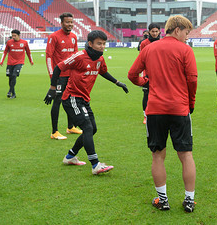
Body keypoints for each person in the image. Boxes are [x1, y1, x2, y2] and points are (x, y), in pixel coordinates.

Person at [128, 15, 197, 213]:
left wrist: (146, 83)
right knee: (186, 154)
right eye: (186, 33)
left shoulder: (148, 48)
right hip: (179, 108)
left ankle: (163, 200)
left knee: (158, 156)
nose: (186, 37)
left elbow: (132, 75)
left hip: (155, 109)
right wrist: (190, 103)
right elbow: (192, 79)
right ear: (177, 29)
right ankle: (189, 201)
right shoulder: (185, 50)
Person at [44, 30, 129, 175]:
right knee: (88, 128)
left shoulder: (100, 59)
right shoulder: (79, 56)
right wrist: (52, 88)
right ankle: (95, 165)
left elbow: (102, 71)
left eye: (104, 43)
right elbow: (59, 67)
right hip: (72, 98)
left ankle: (70, 156)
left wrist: (117, 82)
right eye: (99, 44)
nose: (102, 46)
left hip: (84, 99)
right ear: (90, 44)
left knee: (93, 129)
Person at [46, 12, 80, 140]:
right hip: (59, 75)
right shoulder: (54, 36)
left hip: (72, 75)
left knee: (71, 99)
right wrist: (52, 76)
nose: (70, 24)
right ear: (61, 23)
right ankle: (54, 132)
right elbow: (49, 56)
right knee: (58, 101)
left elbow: (76, 56)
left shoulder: (74, 37)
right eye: (67, 22)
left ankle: (70, 127)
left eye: (71, 22)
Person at [0, 29, 34, 99]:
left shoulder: (24, 42)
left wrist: (31, 60)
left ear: (19, 35)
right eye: (12, 35)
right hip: (10, 62)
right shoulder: (9, 42)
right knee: (10, 78)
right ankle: (13, 94)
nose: (13, 37)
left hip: (19, 62)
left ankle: (10, 91)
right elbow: (5, 52)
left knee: (14, 75)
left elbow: (28, 52)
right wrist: (2, 61)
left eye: (15, 36)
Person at [138, 23, 161, 124]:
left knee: (160, 94)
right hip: (147, 73)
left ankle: (159, 113)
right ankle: (145, 116)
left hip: (160, 73)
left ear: (159, 32)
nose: (155, 33)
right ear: (149, 32)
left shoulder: (162, 42)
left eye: (156, 31)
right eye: (153, 31)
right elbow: (141, 59)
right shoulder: (144, 43)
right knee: (146, 94)